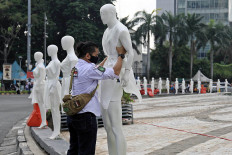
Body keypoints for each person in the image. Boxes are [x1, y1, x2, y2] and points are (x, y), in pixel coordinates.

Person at [67, 41, 125, 155]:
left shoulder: (76, 67)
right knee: (86, 151)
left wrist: (106, 60)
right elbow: (115, 72)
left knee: (74, 149)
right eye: (96, 54)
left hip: (73, 115)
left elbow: (97, 68)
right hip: (86, 117)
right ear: (88, 55)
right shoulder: (90, 69)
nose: (97, 57)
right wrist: (121, 56)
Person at [99, 4, 142, 155]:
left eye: (103, 13)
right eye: (101, 13)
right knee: (107, 124)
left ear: (112, 13)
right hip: (106, 73)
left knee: (115, 124)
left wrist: (126, 72)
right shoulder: (107, 30)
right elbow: (108, 55)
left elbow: (130, 53)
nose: (101, 17)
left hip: (117, 73)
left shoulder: (121, 30)